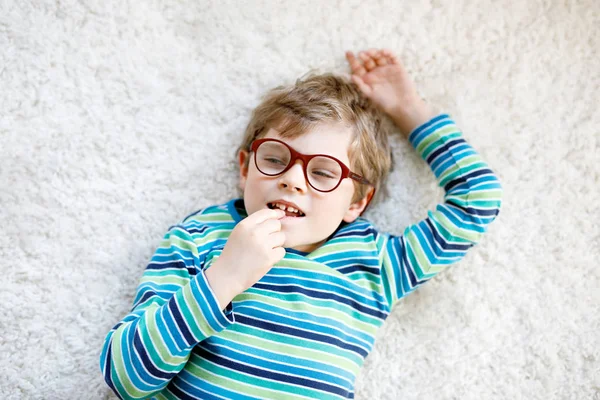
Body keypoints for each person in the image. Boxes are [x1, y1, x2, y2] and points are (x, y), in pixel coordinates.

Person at [100, 48, 503, 400]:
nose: (292, 180)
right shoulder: (201, 238)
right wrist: (222, 279)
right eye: (275, 159)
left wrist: (409, 109)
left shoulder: (376, 265)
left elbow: (477, 200)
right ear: (245, 169)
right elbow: (125, 379)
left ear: (358, 201)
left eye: (324, 173)